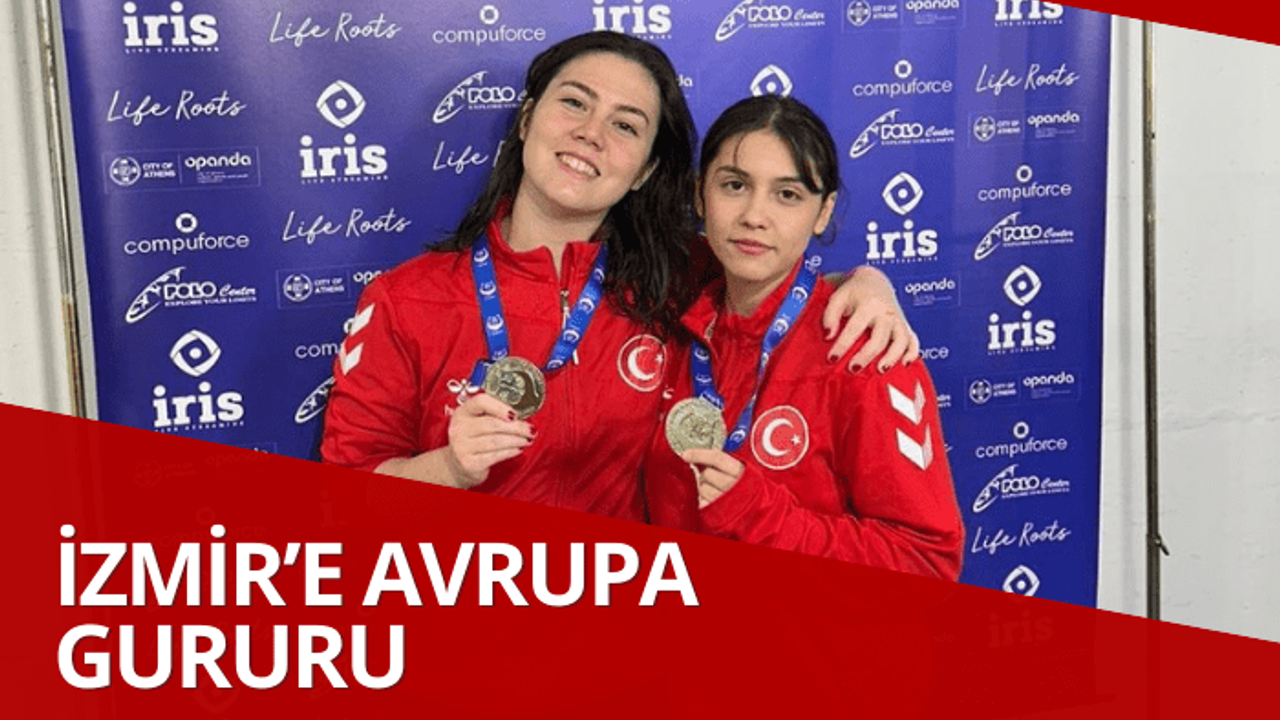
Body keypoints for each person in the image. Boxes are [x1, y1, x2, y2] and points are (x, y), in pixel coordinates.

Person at [321, 32, 917, 523]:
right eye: (574, 103)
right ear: (527, 120)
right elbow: (345, 502)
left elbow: (771, 277)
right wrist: (448, 469)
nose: (591, 133)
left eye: (626, 125)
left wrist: (865, 282)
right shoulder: (405, 299)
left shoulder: (680, 277)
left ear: (644, 171)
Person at [645, 95, 963, 579]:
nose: (755, 215)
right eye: (734, 185)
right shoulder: (670, 320)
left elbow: (928, 563)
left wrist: (763, 517)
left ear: (823, 211)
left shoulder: (866, 349)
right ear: (699, 196)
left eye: (787, 194)